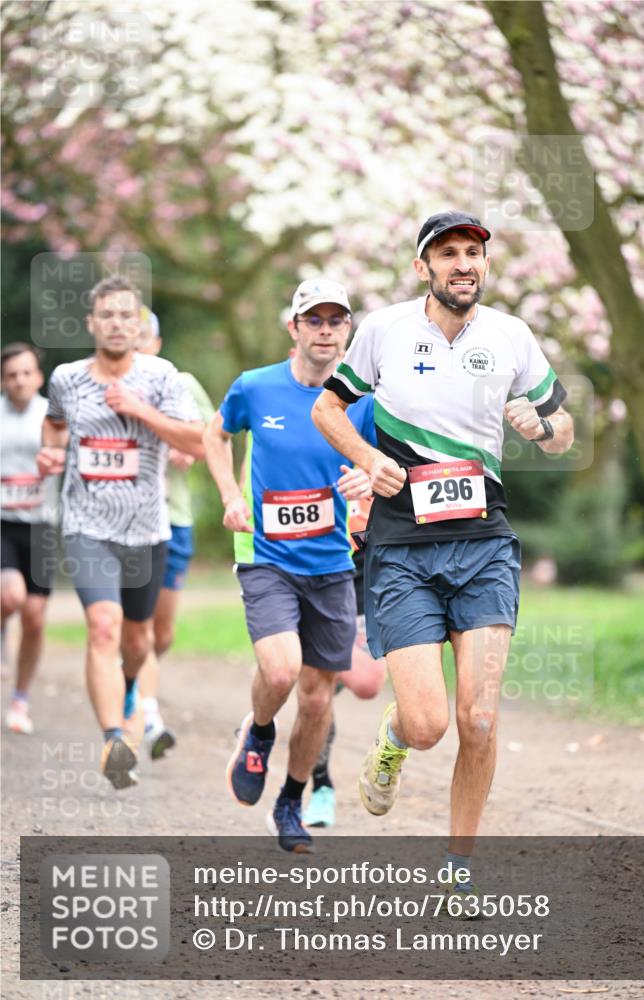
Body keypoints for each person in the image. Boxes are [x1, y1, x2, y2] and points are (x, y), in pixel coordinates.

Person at [312, 211, 574, 901]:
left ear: (485, 265)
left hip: (483, 546)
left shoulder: (511, 336)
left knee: (478, 720)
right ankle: (394, 741)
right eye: (448, 253)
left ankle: (459, 868)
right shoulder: (384, 330)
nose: (463, 264)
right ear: (422, 266)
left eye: (473, 253)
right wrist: (368, 458)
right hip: (402, 550)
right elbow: (327, 410)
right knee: (428, 724)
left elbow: (563, 429)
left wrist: (542, 426)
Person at [203, 278, 376, 852]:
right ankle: (258, 732)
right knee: (281, 673)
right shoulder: (255, 387)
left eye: (335, 320)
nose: (325, 331)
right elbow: (214, 435)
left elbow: (380, 469)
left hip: (332, 562)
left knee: (318, 698)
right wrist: (230, 494)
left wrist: (366, 480)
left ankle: (291, 801)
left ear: (347, 330)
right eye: (314, 320)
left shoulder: (364, 404)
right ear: (294, 328)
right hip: (266, 556)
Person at [37, 276, 204, 790]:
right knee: (103, 626)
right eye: (106, 315)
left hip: (146, 529)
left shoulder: (162, 376)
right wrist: (51, 454)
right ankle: (114, 738)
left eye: (125, 315)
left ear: (138, 325)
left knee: (137, 639)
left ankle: (130, 688)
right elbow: (55, 425)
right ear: (91, 323)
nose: (116, 324)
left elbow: (197, 442)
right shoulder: (67, 378)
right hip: (86, 525)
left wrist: (140, 410)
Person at [134, 308, 215, 758]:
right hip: (129, 521)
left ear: (158, 344)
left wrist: (190, 450)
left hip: (175, 517)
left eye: (144, 336)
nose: (137, 344)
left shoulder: (181, 383)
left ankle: (133, 673)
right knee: (141, 625)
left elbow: (213, 436)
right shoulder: (111, 388)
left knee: (162, 631)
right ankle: (148, 714)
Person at [303, 496, 386, 828]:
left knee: (367, 684)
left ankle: (310, 666)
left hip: (366, 574)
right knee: (316, 691)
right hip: (315, 568)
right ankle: (321, 787)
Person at [1, 343, 59, 734]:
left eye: (26, 373)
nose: (19, 380)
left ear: (38, 377)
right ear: (3, 381)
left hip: (41, 526)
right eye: (11, 375)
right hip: (2, 522)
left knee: (35, 618)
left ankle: (20, 699)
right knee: (11, 596)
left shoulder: (53, 417)